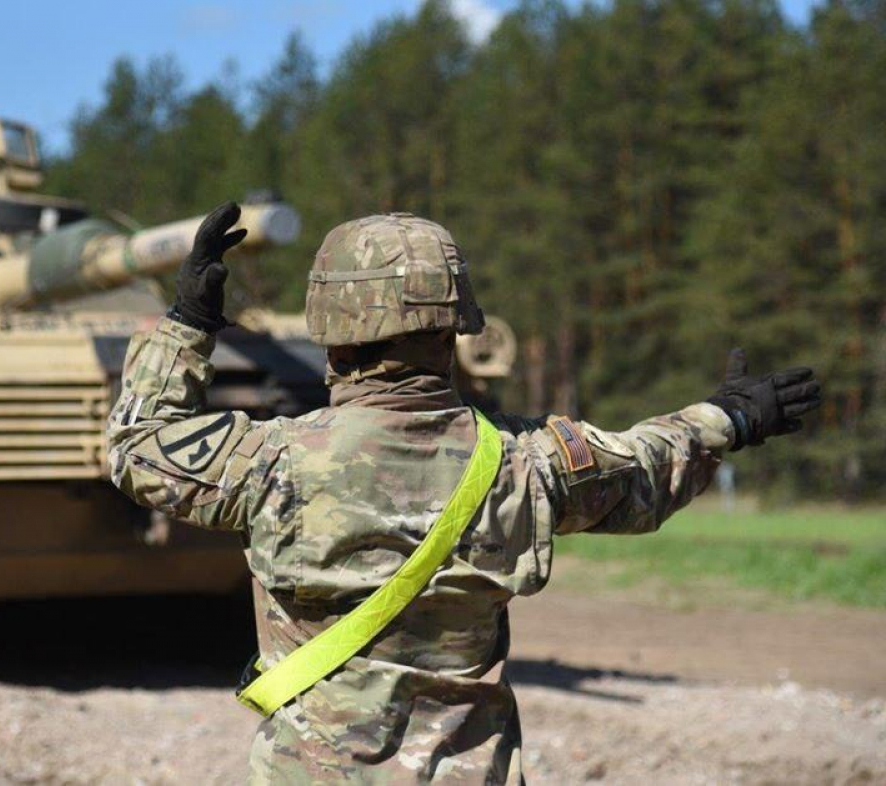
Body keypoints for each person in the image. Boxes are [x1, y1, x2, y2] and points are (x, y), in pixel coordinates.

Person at [106, 203, 821, 784]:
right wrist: (729, 417)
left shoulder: (270, 462)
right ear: (454, 328)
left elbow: (137, 446)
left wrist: (188, 323)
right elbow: (644, 468)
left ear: (334, 335)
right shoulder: (525, 462)